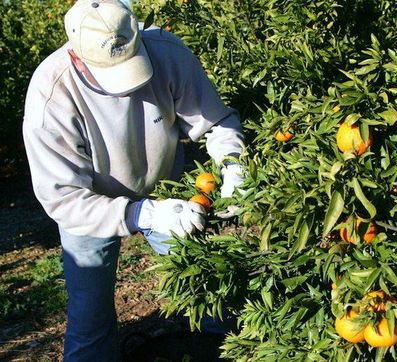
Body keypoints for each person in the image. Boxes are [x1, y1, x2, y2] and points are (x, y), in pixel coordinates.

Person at [22, 0, 245, 360]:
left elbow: (216, 121)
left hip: (170, 196)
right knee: (90, 320)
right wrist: (143, 214)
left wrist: (233, 162)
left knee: (207, 291)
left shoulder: (167, 54)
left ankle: (230, 351)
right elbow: (63, 198)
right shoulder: (52, 97)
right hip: (90, 211)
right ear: (77, 57)